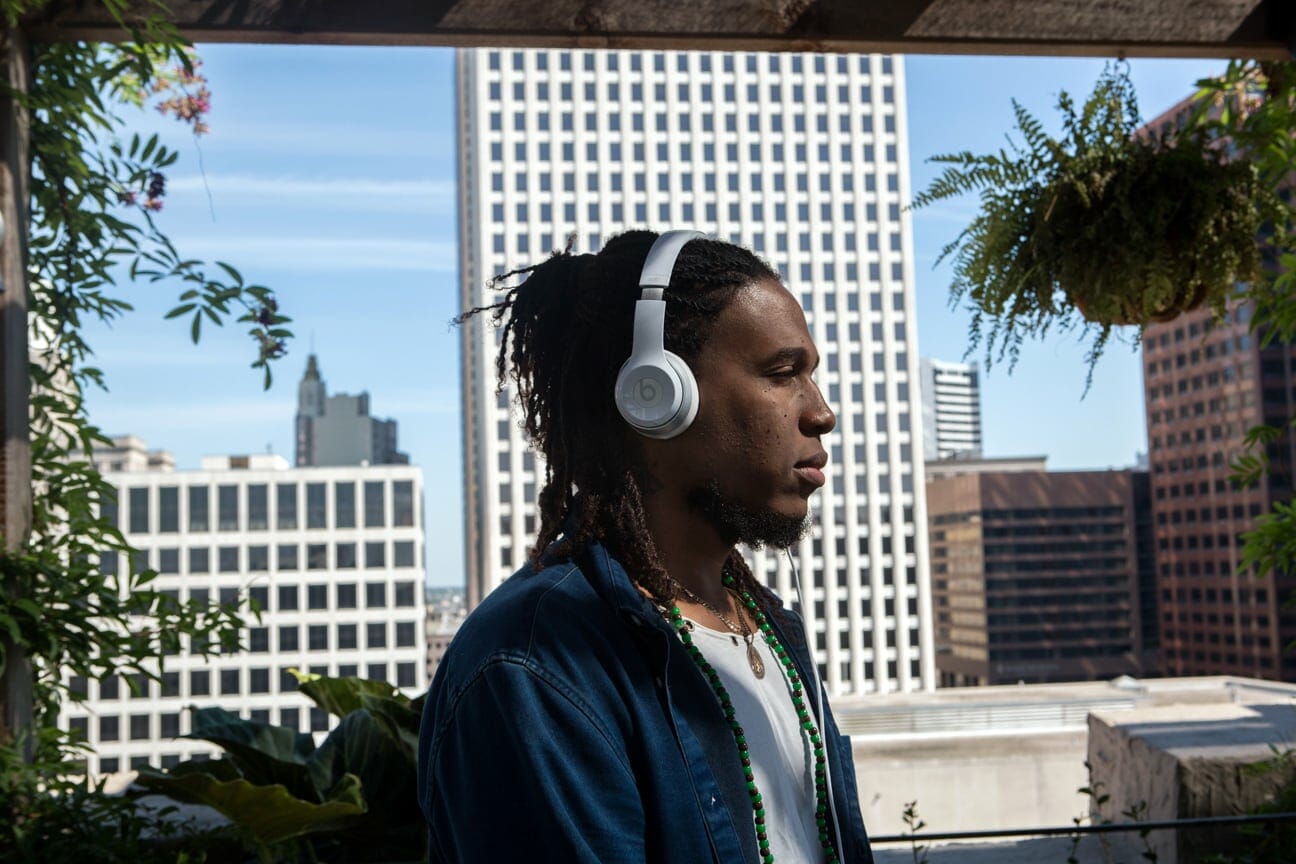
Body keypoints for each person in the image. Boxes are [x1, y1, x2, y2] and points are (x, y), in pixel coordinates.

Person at [417, 229, 874, 863]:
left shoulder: (770, 625)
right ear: (656, 395)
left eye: (811, 376)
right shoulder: (536, 665)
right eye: (781, 374)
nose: (821, 413)